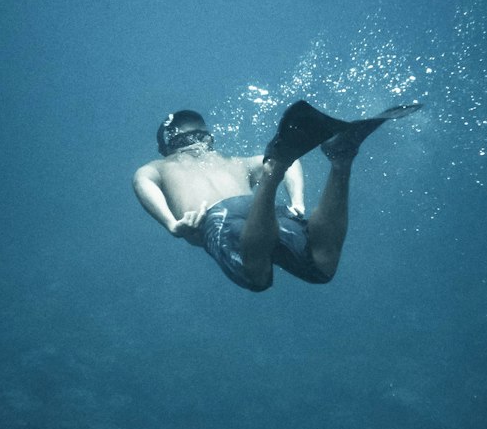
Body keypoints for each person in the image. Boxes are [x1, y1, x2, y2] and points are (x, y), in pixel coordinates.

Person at [132, 100, 419, 293]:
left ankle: (273, 173)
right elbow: (295, 162)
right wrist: (297, 202)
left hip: (219, 219)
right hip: (266, 214)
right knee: (322, 266)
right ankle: (340, 159)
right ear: (208, 138)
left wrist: (171, 224)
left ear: (166, 147)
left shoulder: (159, 166)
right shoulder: (235, 162)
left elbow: (141, 181)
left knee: (254, 275)